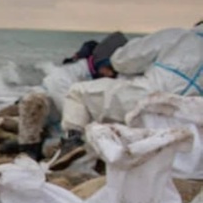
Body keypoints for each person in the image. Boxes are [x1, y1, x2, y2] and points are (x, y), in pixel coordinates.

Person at [58, 20, 203, 154]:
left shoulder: (176, 36)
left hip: (144, 101)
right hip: (188, 121)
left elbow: (122, 60)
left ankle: (74, 144)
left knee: (78, 92)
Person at [6, 32, 126, 162]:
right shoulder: (71, 71)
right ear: (98, 62)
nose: (110, 73)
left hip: (72, 126)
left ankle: (39, 146)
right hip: (55, 114)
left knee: (57, 149)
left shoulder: (113, 78)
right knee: (32, 101)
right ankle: (28, 147)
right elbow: (68, 107)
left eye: (114, 70)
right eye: (108, 67)